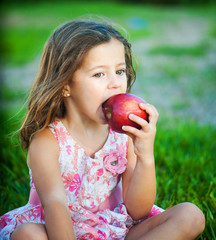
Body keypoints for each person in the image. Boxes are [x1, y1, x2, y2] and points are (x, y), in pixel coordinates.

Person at [0, 18, 205, 240]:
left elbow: (138, 210)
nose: (116, 83)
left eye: (120, 71)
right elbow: (55, 206)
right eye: (99, 74)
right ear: (65, 85)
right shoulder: (47, 141)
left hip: (114, 228)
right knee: (28, 235)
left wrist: (144, 155)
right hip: (59, 230)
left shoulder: (122, 134)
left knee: (190, 215)